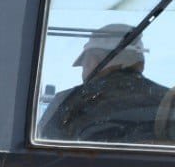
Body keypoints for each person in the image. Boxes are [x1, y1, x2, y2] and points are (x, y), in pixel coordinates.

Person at [39, 23, 169, 144]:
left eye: (83, 64)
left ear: (92, 61)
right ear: (140, 63)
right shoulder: (169, 100)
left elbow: (41, 153)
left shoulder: (67, 101)